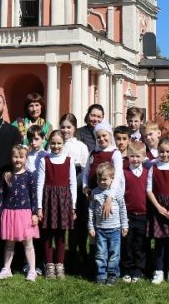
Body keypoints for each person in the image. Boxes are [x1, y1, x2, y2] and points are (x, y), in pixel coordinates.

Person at [36, 130, 77, 279]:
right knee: (47, 234)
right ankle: (49, 265)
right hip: (48, 199)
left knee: (60, 234)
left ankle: (60, 265)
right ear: (49, 143)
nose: (56, 146)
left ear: (63, 143)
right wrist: (39, 207)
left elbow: (72, 184)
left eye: (59, 143)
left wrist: (73, 207)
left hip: (64, 200)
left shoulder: (69, 160)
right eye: (53, 143)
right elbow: (40, 184)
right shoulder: (44, 160)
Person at [0, 145, 40, 281]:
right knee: (9, 244)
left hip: (25, 213)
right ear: (11, 157)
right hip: (9, 213)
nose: (18, 160)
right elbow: (1, 196)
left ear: (26, 158)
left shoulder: (30, 175)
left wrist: (34, 213)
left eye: (21, 157)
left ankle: (32, 270)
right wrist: (0, 212)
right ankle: (6, 269)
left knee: (28, 243)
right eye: (15, 156)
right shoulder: (6, 175)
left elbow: (34, 196)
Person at [147, 137, 169, 285]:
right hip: (159, 208)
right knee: (160, 243)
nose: (164, 154)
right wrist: (159, 208)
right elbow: (149, 190)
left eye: (168, 151)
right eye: (161, 151)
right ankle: (159, 271)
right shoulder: (153, 168)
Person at [60, 112, 91, 274]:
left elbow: (86, 168)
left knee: (80, 221)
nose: (65, 130)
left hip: (78, 187)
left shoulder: (80, 146)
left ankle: (81, 251)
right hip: (61, 187)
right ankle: (69, 253)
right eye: (63, 127)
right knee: (67, 222)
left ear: (74, 128)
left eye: (69, 127)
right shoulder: (57, 143)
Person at [88, 162, 128, 285]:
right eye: (100, 179)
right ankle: (101, 274)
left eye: (105, 179)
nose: (102, 182)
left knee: (114, 254)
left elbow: (122, 208)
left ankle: (113, 274)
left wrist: (125, 225)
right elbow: (91, 210)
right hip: (100, 229)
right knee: (101, 253)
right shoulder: (95, 192)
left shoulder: (117, 191)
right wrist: (91, 226)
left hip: (115, 229)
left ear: (112, 179)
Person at [120, 142, 149, 283]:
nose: (135, 159)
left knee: (141, 244)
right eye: (132, 156)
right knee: (127, 243)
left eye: (138, 156)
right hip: (128, 215)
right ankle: (126, 269)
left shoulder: (148, 174)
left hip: (143, 214)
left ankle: (139, 270)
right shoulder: (124, 173)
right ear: (128, 156)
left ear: (144, 157)